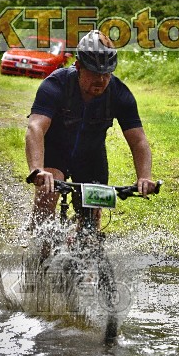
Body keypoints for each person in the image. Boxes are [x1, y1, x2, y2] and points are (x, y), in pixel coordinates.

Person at [25, 29, 157, 229]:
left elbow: (138, 140)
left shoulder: (119, 93)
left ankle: (85, 242)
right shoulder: (56, 84)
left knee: (91, 221)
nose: (101, 80)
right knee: (47, 194)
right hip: (56, 152)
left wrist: (144, 176)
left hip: (91, 158)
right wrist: (37, 169)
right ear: (79, 66)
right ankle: (38, 242)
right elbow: (35, 127)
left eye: (106, 74)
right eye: (95, 73)